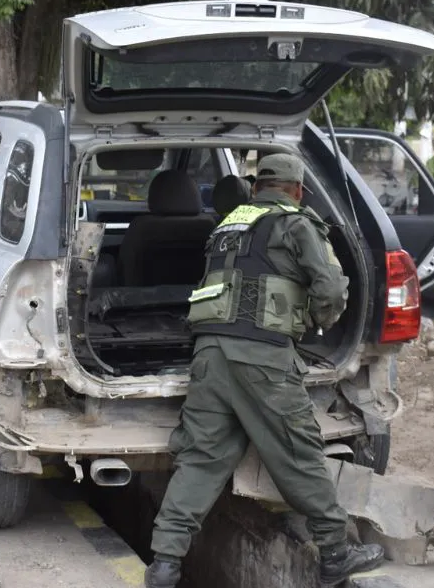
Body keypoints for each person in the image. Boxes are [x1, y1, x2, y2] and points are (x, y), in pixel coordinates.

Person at [144, 154, 385, 587]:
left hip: (210, 354)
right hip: (263, 357)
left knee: (200, 459)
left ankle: (164, 563)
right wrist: (319, 321)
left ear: (257, 187)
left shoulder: (227, 225)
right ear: (297, 190)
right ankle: (335, 552)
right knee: (297, 453)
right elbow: (330, 289)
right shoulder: (297, 224)